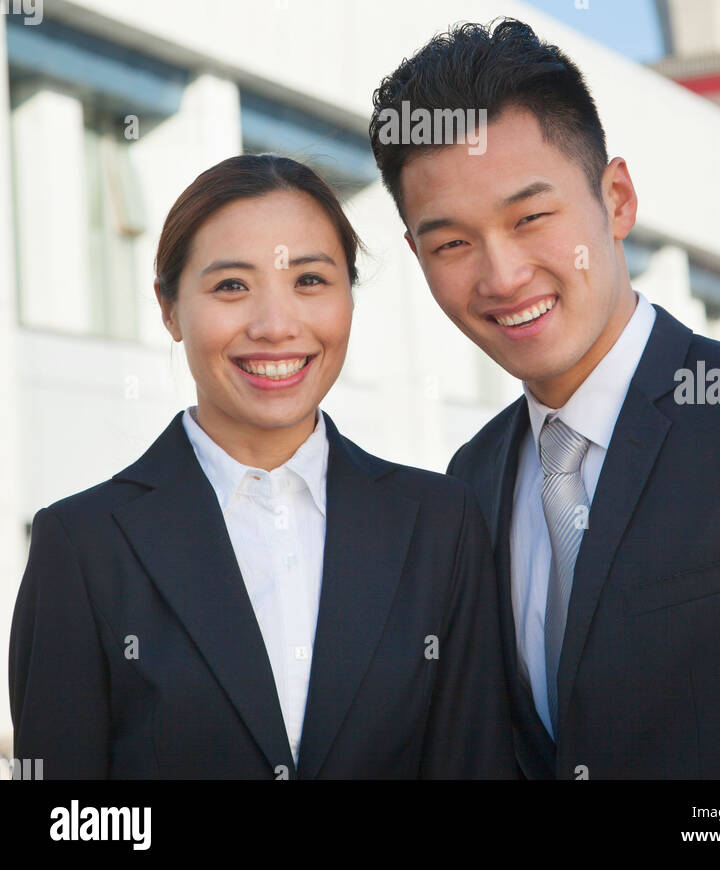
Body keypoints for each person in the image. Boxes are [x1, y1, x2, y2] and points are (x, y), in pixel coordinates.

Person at [368, 17, 720, 780]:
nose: (501, 277)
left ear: (618, 199)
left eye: (531, 218)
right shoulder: (471, 479)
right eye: (452, 244)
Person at [9, 153, 516, 780]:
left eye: (309, 281)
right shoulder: (83, 545)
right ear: (169, 309)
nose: (276, 327)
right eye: (231, 286)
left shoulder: (442, 525)